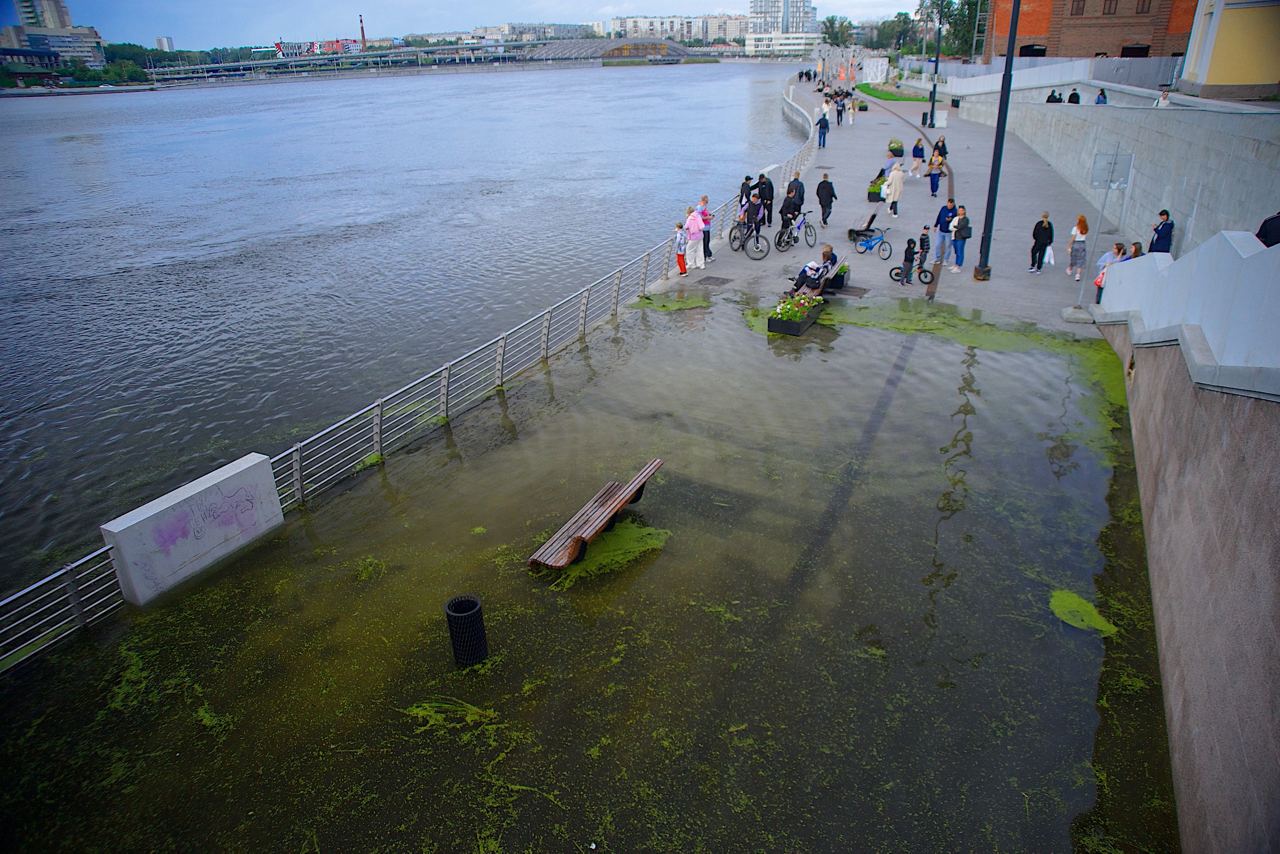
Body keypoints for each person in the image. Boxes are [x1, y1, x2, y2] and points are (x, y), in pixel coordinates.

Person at [934, 198, 958, 265]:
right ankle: (937, 258)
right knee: (937, 244)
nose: (949, 206)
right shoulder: (943, 208)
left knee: (948, 246)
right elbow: (939, 216)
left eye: (951, 205)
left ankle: (946, 259)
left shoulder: (955, 211)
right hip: (941, 230)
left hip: (949, 232)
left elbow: (956, 221)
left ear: (953, 204)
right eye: (949, 204)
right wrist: (936, 225)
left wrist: (950, 219)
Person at [1065, 214, 1088, 282]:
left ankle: (1070, 268)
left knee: (1073, 258)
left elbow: (1073, 238)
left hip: (1076, 244)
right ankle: (1078, 275)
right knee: (1081, 259)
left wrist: (1069, 246)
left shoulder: (1075, 228)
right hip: (1083, 244)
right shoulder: (1086, 228)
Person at [950, 205, 971, 271]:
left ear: (964, 211)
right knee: (956, 251)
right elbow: (951, 226)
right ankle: (956, 264)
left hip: (961, 238)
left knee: (960, 251)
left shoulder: (966, 219)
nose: (960, 211)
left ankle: (959, 265)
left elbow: (960, 226)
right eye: (959, 210)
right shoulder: (956, 218)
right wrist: (955, 226)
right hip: (954, 237)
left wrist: (955, 226)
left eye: (961, 210)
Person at [684, 205, 705, 270]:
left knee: (689, 249)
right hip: (700, 235)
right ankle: (701, 264)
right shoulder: (698, 215)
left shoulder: (690, 218)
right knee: (700, 249)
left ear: (688, 212)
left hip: (693, 236)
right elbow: (702, 226)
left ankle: (691, 264)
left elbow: (686, 227)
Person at [697, 195, 714, 263]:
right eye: (707, 199)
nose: (708, 200)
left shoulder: (704, 206)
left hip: (707, 227)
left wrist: (710, 215)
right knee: (705, 242)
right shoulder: (699, 207)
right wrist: (708, 217)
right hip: (703, 228)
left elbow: (706, 214)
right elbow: (700, 217)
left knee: (707, 241)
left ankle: (708, 255)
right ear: (704, 200)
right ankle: (705, 257)